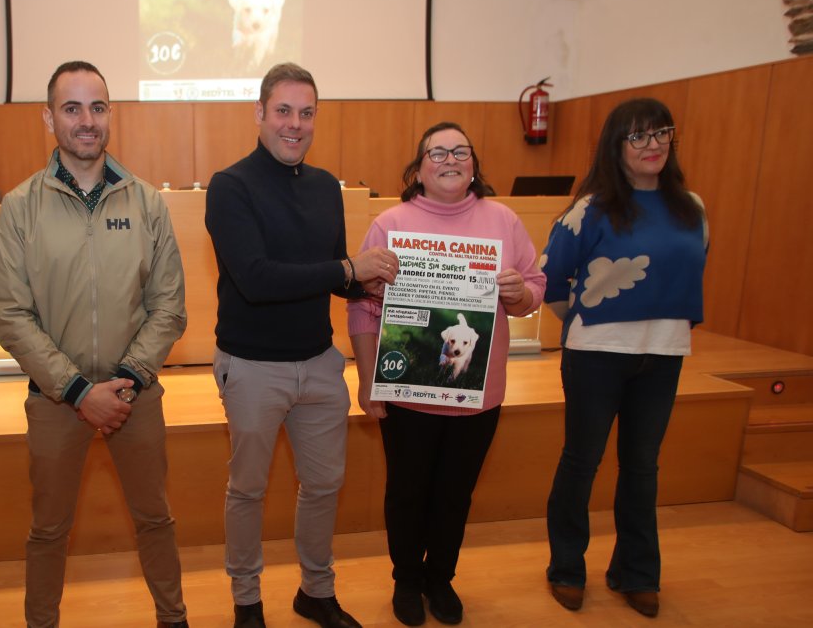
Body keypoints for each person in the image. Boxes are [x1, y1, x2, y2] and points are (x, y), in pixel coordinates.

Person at [0, 61, 189, 628]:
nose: (87, 120)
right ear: (49, 117)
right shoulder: (19, 207)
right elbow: (10, 313)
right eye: (72, 108)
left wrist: (125, 380)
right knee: (48, 529)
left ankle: (174, 618)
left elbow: (169, 306)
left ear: (110, 115)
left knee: (155, 519)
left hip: (136, 395)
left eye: (97, 107)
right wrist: (78, 390)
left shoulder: (147, 202)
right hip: (56, 399)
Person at [205, 62, 398, 628]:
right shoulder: (230, 186)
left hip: (318, 364)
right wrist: (347, 267)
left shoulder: (324, 188)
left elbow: (333, 276)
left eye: (306, 113)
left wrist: (372, 281)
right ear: (259, 114)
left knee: (323, 486)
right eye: (283, 111)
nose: (295, 124)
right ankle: (246, 602)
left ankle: (316, 591)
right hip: (251, 367)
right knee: (248, 490)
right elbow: (257, 279)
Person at [347, 122, 545, 626]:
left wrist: (519, 292)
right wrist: (369, 381)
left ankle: (442, 579)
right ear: (419, 167)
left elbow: (533, 291)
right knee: (407, 492)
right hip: (408, 393)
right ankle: (408, 581)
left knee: (455, 494)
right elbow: (364, 310)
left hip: (477, 397)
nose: (450, 159)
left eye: (461, 151)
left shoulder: (502, 220)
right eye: (438, 152)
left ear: (474, 164)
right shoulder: (391, 223)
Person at [542, 98, 708, 619]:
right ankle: (567, 568)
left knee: (642, 467)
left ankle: (636, 572)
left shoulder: (693, 207)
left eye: (661, 133)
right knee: (582, 461)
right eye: (637, 136)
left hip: (664, 352)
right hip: (596, 355)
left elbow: (695, 267)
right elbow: (551, 280)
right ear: (616, 146)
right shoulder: (588, 209)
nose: (652, 144)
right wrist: (585, 320)